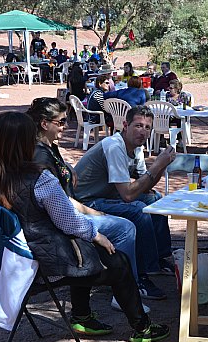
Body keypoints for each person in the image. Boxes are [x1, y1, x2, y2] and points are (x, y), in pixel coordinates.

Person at [0, 112, 170, 342]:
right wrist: (97, 235)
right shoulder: (39, 179)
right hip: (42, 263)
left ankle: (83, 315)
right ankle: (142, 328)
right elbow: (69, 221)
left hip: (4, 259)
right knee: (116, 259)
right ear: (26, 141)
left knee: (86, 251)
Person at [26, 97, 149, 312]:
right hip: (62, 219)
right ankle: (127, 289)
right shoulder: (40, 155)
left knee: (139, 209)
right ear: (45, 124)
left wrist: (68, 166)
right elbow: (60, 204)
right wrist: (95, 214)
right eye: (61, 122)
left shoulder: (49, 147)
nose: (65, 127)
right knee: (125, 227)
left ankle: (83, 310)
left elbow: (58, 184)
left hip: (67, 211)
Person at [74, 106, 177, 301]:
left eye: (147, 127)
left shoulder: (136, 148)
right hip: (88, 202)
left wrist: (161, 166)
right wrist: (155, 165)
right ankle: (140, 277)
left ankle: (158, 258)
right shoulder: (114, 146)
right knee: (139, 210)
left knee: (154, 199)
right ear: (125, 125)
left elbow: (145, 187)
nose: (143, 131)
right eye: (138, 125)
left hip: (108, 196)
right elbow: (129, 196)